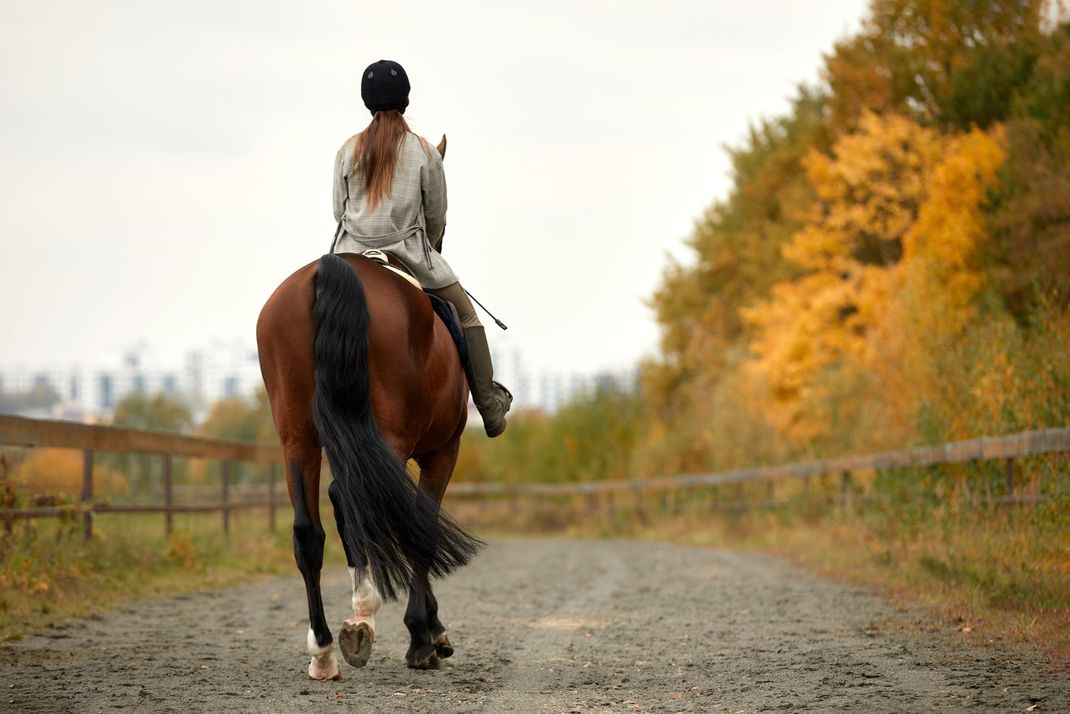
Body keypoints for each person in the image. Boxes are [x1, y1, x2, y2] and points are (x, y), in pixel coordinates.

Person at [332, 59, 512, 437]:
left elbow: (338, 211)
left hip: (347, 259)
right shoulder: (426, 153)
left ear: (366, 103)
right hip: (409, 257)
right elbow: (436, 218)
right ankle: (490, 407)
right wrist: (428, 248)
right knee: (467, 317)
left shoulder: (347, 151)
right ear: (407, 99)